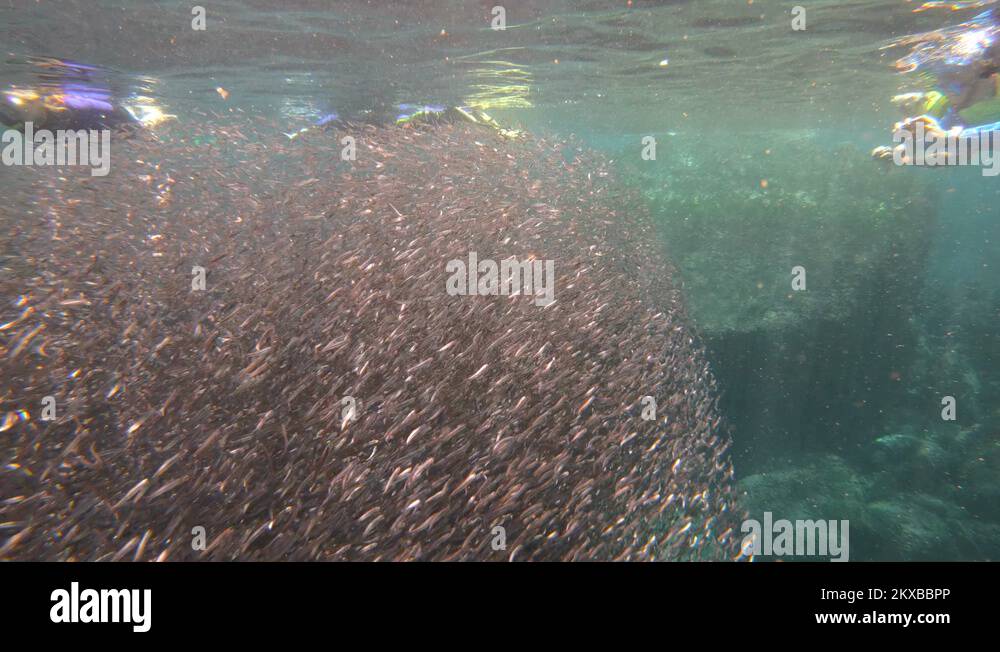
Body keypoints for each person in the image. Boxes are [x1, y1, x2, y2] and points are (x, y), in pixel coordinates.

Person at [873, 6, 1000, 162]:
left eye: (951, 79)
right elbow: (957, 154)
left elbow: (956, 143)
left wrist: (947, 138)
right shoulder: (954, 111)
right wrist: (904, 154)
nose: (946, 88)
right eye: (942, 83)